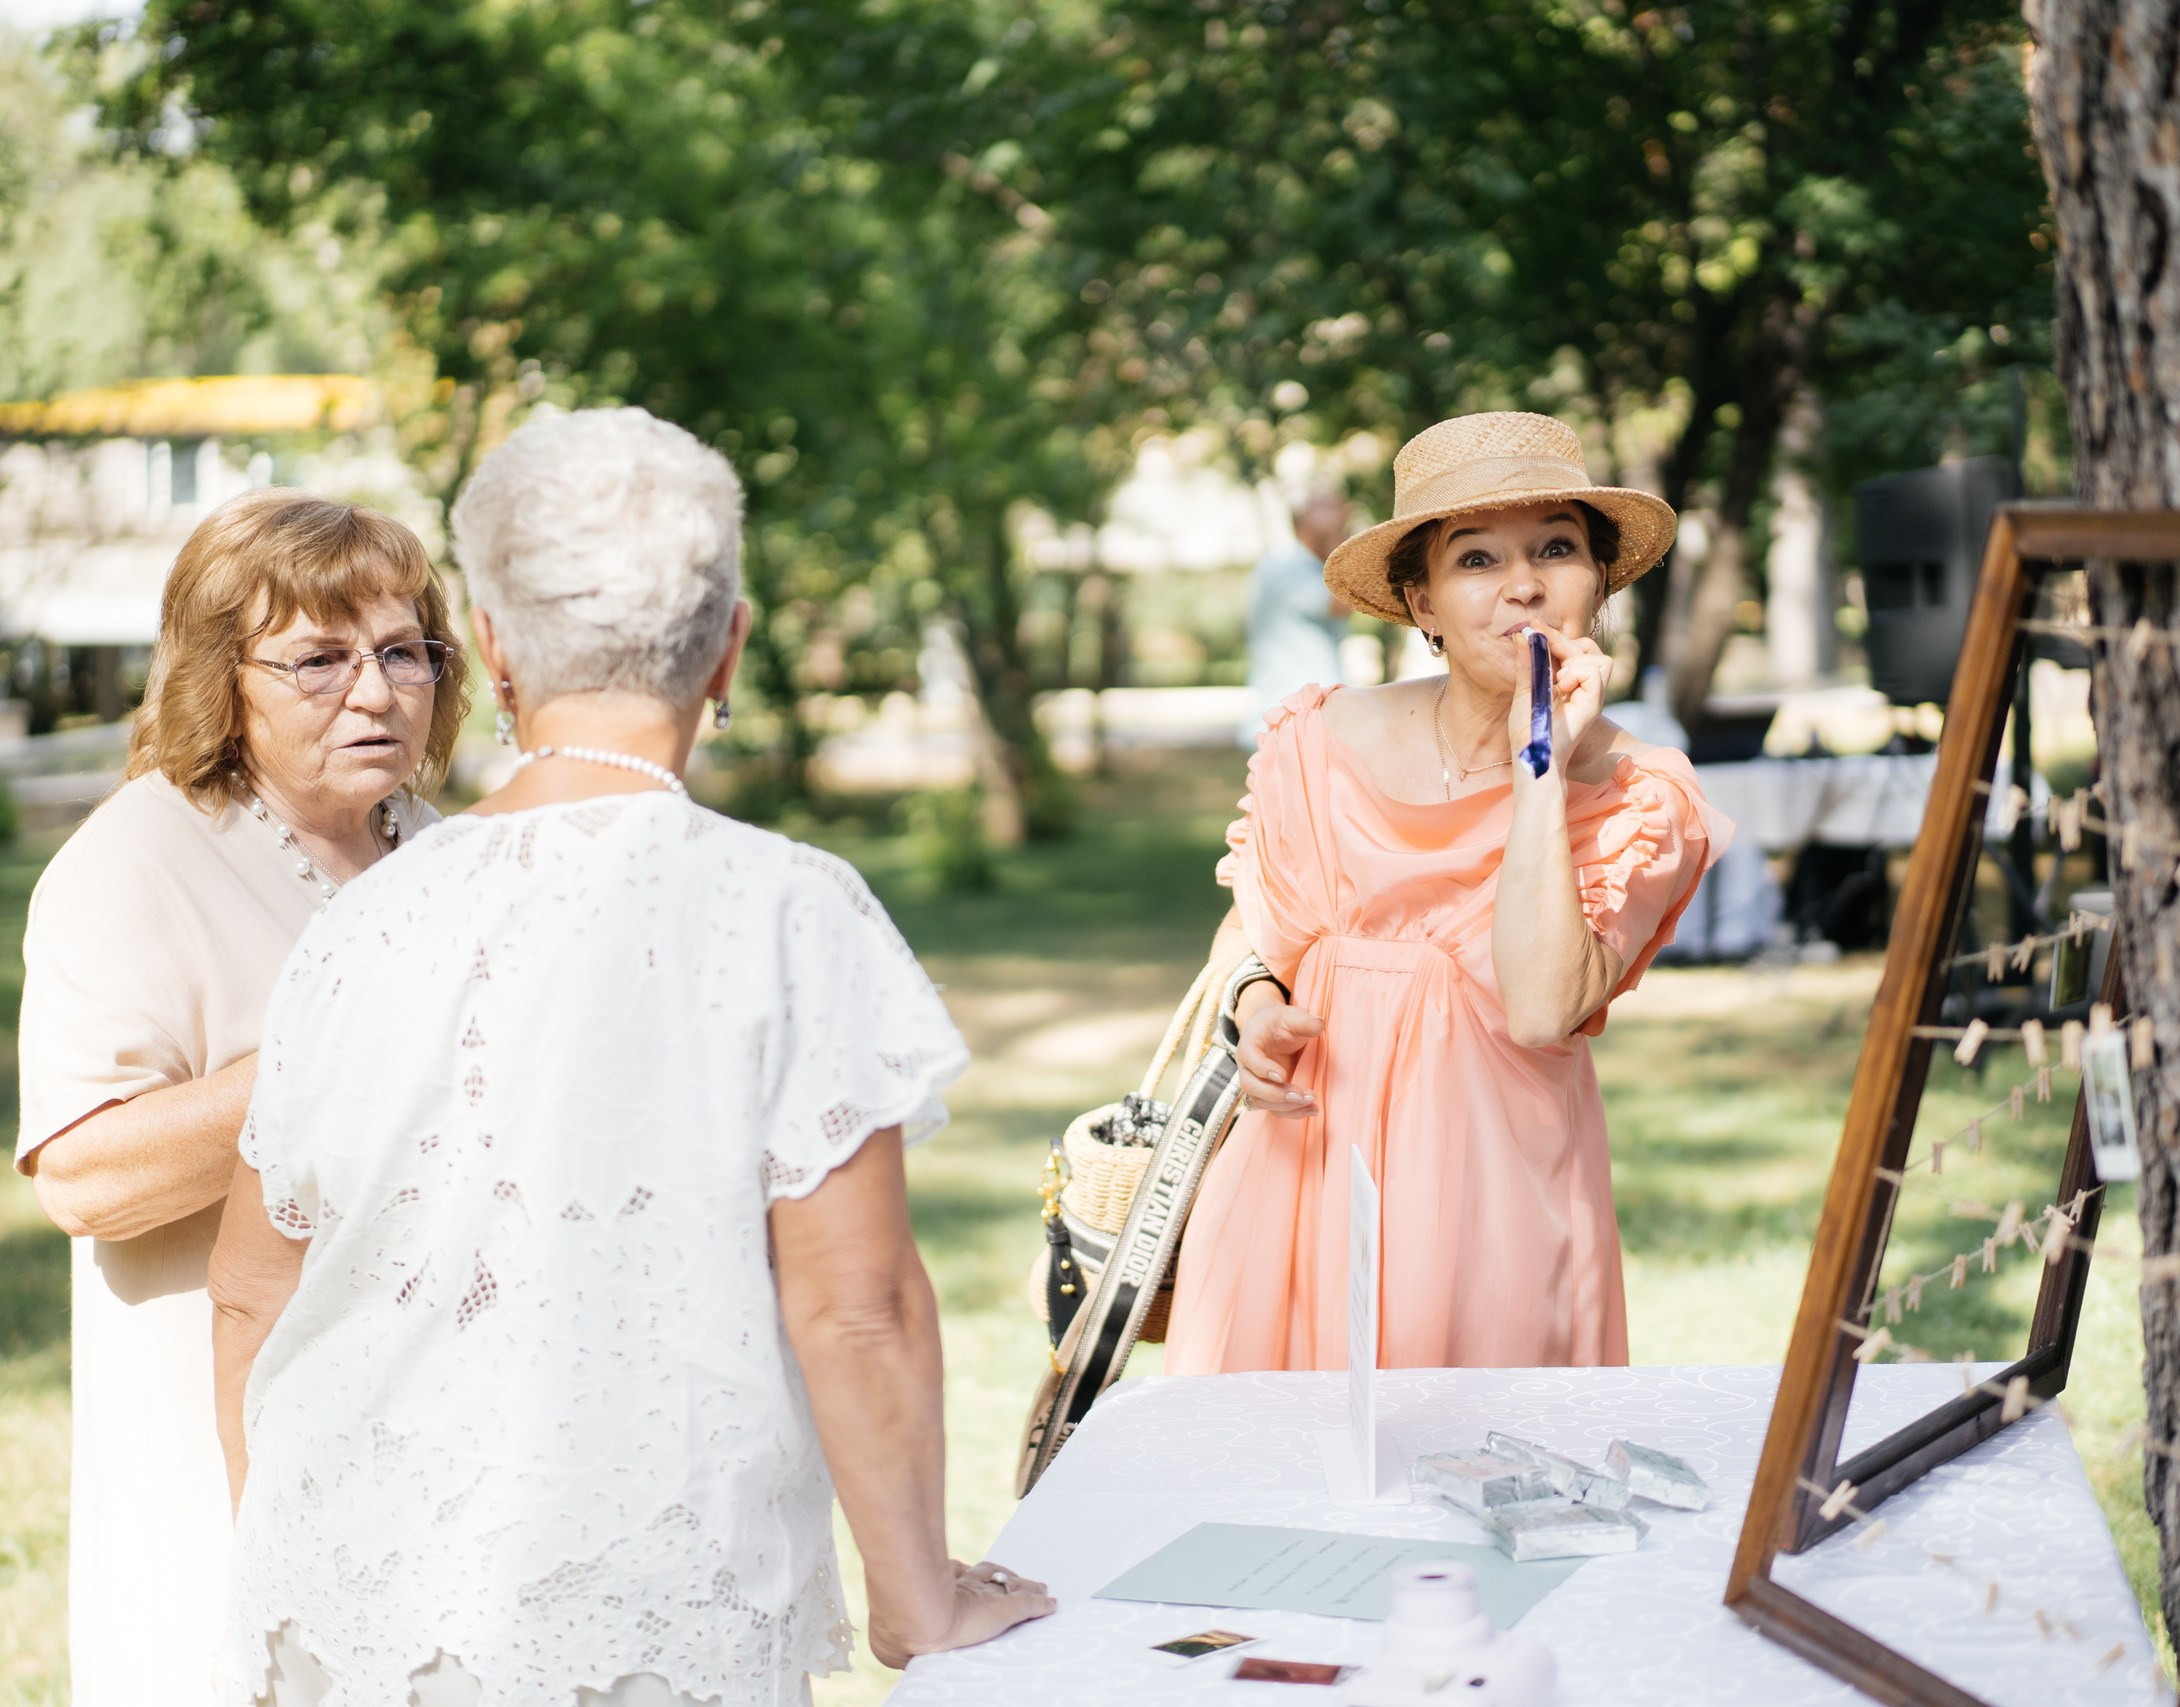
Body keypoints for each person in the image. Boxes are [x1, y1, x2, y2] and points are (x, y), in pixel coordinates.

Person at [204, 408, 1051, 1707]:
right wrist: (916, 1597)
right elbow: (857, 1301)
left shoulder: (362, 916)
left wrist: (295, 1560)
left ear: (489, 648)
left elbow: (253, 1290)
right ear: (730, 647)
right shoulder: (786, 906)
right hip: (638, 1624)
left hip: (337, 1606)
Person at [15, 489, 465, 1705]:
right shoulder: (134, 862)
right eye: (319, 659)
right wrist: (338, 1051)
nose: (375, 692)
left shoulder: (434, 844)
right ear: (223, 677)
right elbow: (83, 1179)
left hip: (438, 1446)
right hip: (227, 1455)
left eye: (402, 650)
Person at [1165, 411, 1730, 1373]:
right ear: (1420, 600)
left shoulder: (1643, 796)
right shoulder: (1319, 742)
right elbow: (1254, 932)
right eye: (1476, 560)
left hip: (1494, 1206)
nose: (1522, 584)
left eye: (1557, 547)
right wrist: (1255, 1007)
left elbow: (1545, 1005)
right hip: (1294, 1182)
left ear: (1599, 581)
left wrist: (1539, 754)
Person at [1242, 483, 1352, 738]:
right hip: (1292, 718)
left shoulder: (1311, 567)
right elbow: (1341, 605)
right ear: (1300, 517)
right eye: (1327, 506)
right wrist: (1343, 542)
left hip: (1307, 715)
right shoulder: (1288, 567)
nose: (1342, 513)